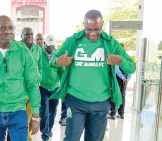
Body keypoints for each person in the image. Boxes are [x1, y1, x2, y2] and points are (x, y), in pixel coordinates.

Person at [49, 10, 136, 141]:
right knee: (71, 138)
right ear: (83, 25)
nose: (93, 33)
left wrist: (120, 61)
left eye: (97, 29)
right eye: (88, 29)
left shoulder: (111, 43)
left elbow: (132, 66)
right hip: (75, 101)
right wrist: (57, 61)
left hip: (101, 102)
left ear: (102, 25)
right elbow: (52, 61)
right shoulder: (73, 41)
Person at [39, 34, 65, 141]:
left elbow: (62, 72)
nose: (51, 48)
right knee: (44, 112)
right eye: (48, 46)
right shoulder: (39, 53)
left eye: (52, 46)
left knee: (53, 111)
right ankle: (44, 133)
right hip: (43, 87)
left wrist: (60, 83)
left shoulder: (58, 54)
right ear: (44, 44)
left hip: (55, 87)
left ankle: (49, 129)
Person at [20, 27, 42, 141]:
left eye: (31, 34)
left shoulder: (38, 49)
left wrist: (38, 79)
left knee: (29, 118)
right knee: (20, 120)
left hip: (33, 89)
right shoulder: (17, 48)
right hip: (19, 90)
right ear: (21, 36)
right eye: (26, 34)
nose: (29, 36)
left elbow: (40, 66)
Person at [108, 43, 132, 120]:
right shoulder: (127, 58)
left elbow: (117, 69)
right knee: (123, 95)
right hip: (125, 79)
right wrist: (127, 79)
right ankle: (121, 114)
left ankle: (113, 114)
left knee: (115, 94)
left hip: (118, 79)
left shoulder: (117, 57)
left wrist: (122, 78)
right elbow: (130, 69)